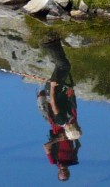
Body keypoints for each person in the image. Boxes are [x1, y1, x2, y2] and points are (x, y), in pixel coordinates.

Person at [36, 37, 81, 181]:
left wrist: (58, 139)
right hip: (64, 112)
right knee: (63, 67)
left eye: (63, 173)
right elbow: (77, 146)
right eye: (66, 174)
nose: (65, 171)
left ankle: (49, 43)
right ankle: (53, 43)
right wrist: (74, 136)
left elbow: (46, 146)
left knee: (63, 67)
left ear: (58, 172)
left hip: (56, 108)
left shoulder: (54, 160)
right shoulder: (72, 159)